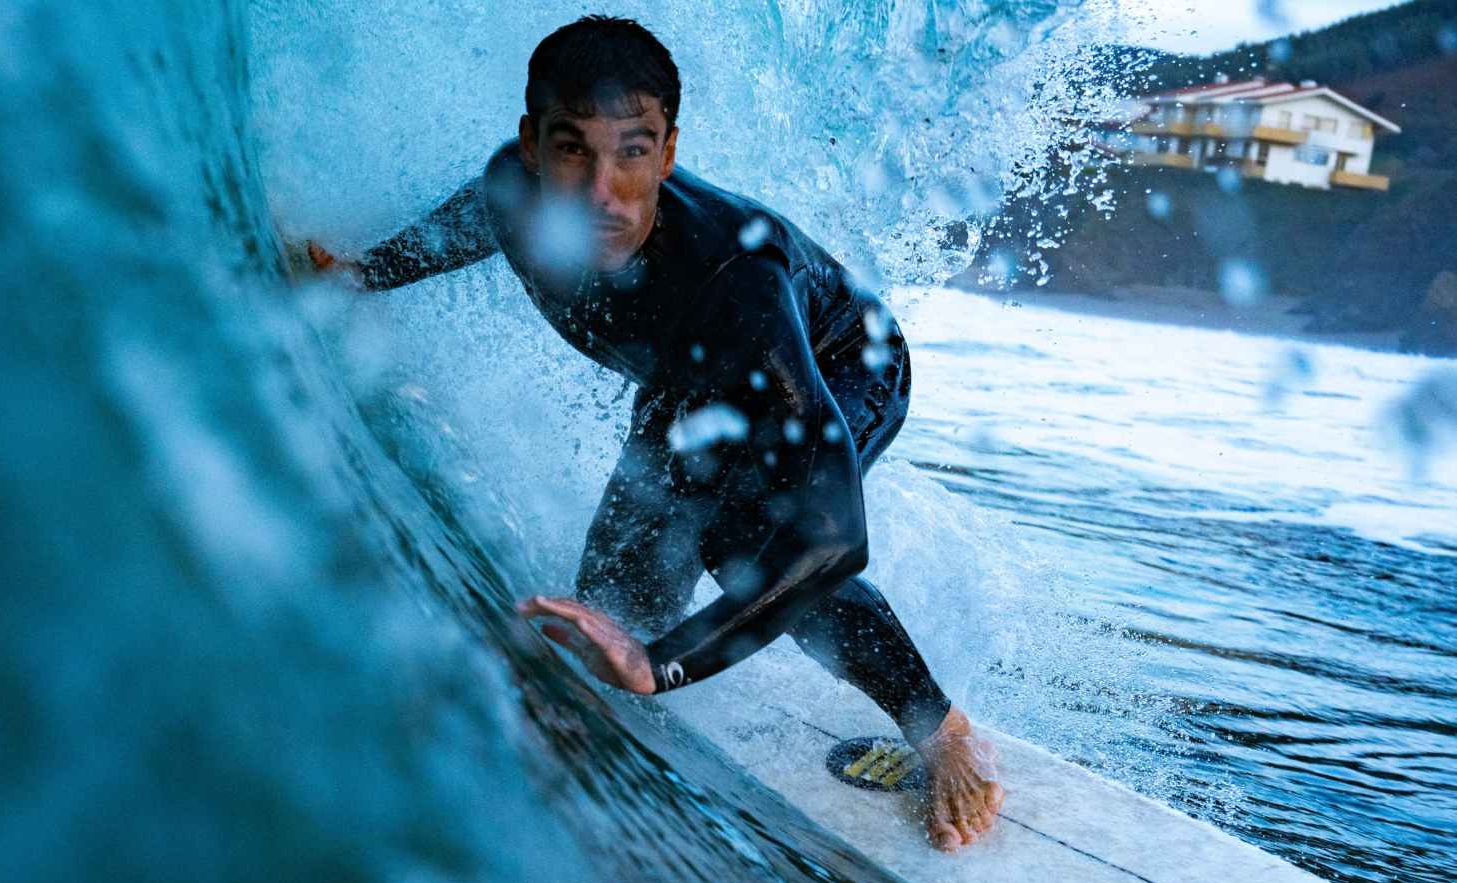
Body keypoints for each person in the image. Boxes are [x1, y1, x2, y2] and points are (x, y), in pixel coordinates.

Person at [304, 14, 1004, 852]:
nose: (602, 191)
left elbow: (835, 535)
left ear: (668, 154)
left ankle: (942, 726)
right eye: (573, 151)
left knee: (747, 529)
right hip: (698, 371)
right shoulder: (510, 192)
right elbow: (467, 223)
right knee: (618, 591)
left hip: (843, 359)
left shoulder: (734, 286)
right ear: (530, 146)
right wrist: (360, 275)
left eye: (633, 153)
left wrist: (660, 665)